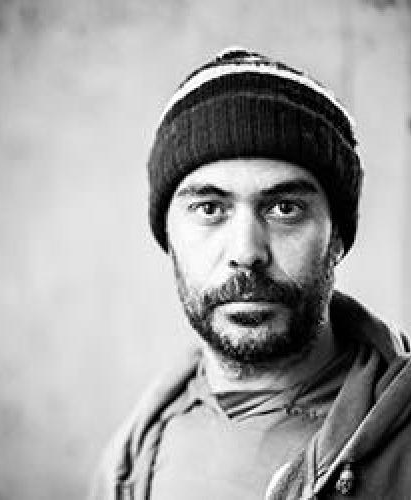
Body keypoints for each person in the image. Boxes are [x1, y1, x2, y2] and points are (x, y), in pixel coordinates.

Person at [90, 48, 411, 499]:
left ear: (337, 236)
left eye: (285, 208)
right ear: (169, 238)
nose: (246, 252)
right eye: (210, 208)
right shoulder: (132, 458)